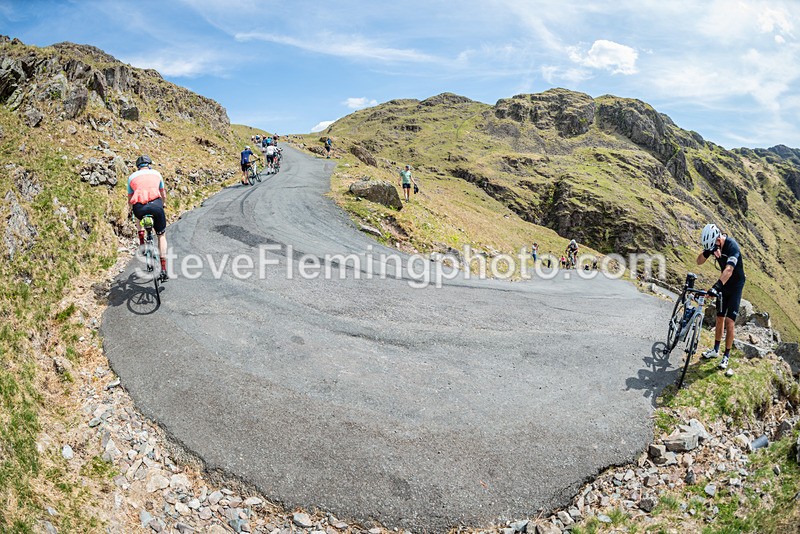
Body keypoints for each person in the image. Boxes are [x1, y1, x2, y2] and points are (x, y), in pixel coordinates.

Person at [696, 223, 746, 370]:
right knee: (719, 318)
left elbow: (729, 270)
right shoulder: (714, 246)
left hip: (736, 285)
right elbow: (698, 262)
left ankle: (726, 356)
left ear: (718, 239)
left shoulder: (732, 247)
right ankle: (715, 350)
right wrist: (707, 252)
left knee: (730, 322)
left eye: (713, 246)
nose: (714, 250)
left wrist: (716, 287)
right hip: (724, 284)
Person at [128, 155, 169, 281]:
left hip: (140, 208)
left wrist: (130, 209)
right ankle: (163, 269)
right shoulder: (157, 174)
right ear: (149, 164)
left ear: (138, 167)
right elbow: (163, 193)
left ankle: (141, 237)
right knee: (161, 235)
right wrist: (164, 203)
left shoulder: (131, 177)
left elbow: (130, 199)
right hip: (156, 206)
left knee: (136, 212)